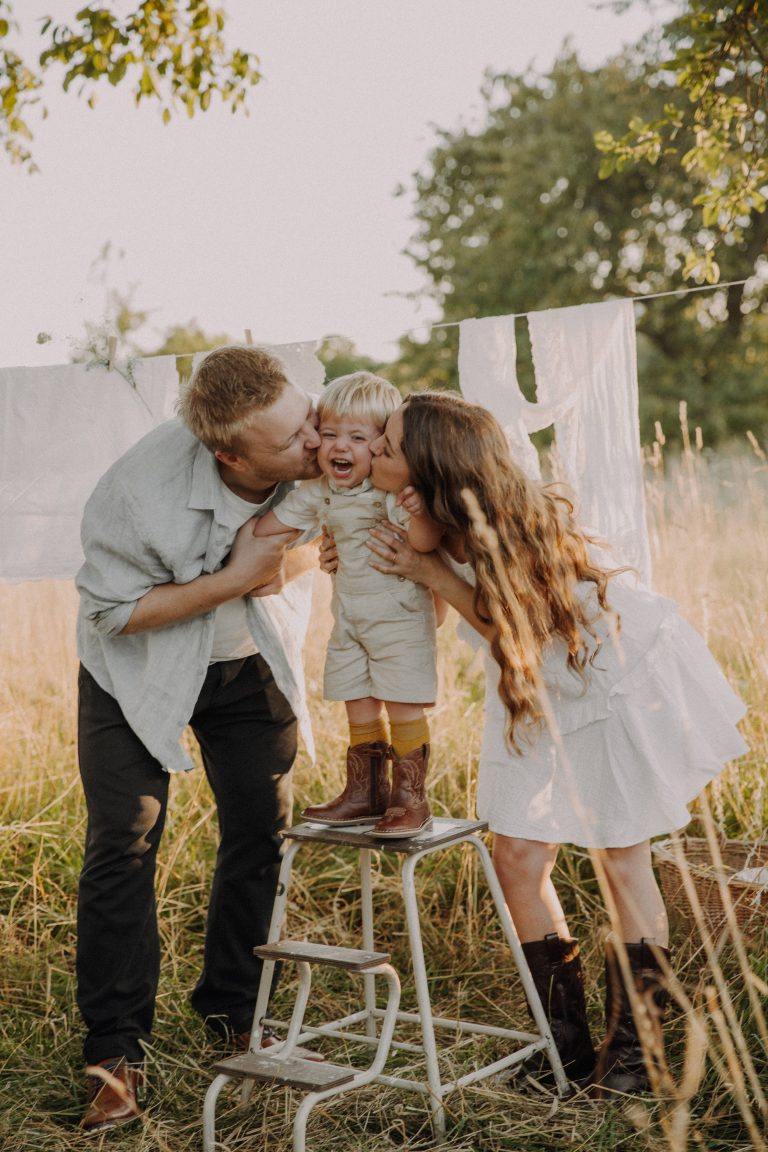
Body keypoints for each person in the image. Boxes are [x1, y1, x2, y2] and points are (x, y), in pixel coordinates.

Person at [362, 390, 747, 1095]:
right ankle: (562, 1046)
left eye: (387, 444)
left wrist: (433, 574)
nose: (374, 452)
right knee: (515, 856)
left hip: (604, 678)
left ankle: (639, 1058)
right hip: (535, 691)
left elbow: (523, 625)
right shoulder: (417, 507)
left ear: (429, 467)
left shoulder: (505, 520)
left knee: (620, 859)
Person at [74, 344, 326, 1132]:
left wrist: (285, 564)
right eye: (289, 443)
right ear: (229, 454)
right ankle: (114, 1053)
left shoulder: (323, 437)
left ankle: (234, 1010)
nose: (313, 444)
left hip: (248, 662)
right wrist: (234, 577)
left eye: (306, 419)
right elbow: (115, 611)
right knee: (127, 838)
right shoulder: (132, 495)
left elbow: (347, 524)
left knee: (262, 829)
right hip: (135, 669)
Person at [252, 371, 444, 838]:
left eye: (358, 437)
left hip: (398, 621)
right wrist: (248, 545)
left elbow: (426, 541)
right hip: (351, 621)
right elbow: (271, 526)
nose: (341, 447)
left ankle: (410, 798)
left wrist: (418, 513)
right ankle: (365, 794)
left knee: (401, 706)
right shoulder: (320, 492)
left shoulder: (391, 493)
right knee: (357, 702)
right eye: (331, 434)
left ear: (381, 446)